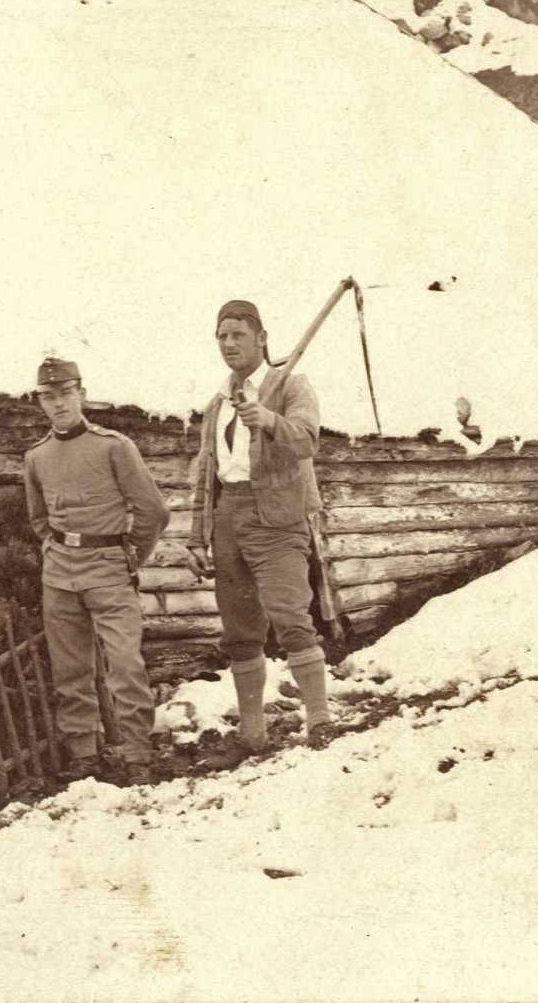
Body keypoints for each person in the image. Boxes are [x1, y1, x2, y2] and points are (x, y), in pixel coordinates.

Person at [185, 299, 334, 756]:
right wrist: (197, 535)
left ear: (262, 339)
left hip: (276, 517)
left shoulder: (289, 386)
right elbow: (207, 472)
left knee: (290, 617)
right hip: (229, 518)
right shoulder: (217, 405)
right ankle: (252, 733)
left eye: (238, 335)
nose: (229, 344)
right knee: (239, 629)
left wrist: (268, 419)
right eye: (222, 336)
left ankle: (320, 721)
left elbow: (308, 440)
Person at [23, 358, 168, 786]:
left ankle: (139, 755)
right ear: (41, 403)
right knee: (70, 671)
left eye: (66, 393)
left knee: (125, 665)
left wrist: (129, 558)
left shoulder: (113, 447)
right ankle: (84, 756)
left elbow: (153, 511)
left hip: (108, 568)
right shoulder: (37, 456)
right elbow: (38, 518)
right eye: (49, 397)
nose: (59, 403)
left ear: (81, 394)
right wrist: (55, 549)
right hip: (59, 574)